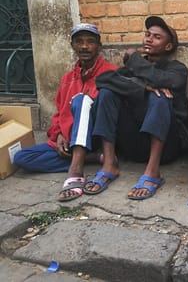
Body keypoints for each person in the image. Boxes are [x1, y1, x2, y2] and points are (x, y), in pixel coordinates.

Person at [83, 16, 188, 200]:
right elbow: (103, 80)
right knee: (107, 93)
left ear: (168, 47)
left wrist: (134, 58)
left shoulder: (176, 68)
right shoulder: (130, 70)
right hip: (133, 144)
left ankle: (153, 172)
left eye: (157, 37)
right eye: (147, 34)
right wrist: (141, 88)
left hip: (167, 147)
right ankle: (109, 164)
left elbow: (162, 79)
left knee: (160, 97)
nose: (149, 39)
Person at [13, 23, 118, 201]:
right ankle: (91, 158)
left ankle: (76, 169)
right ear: (73, 46)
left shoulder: (110, 72)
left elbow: (108, 110)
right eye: (79, 42)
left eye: (90, 42)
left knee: (82, 100)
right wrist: (59, 133)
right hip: (68, 139)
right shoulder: (68, 78)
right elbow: (59, 112)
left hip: (94, 137)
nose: (84, 46)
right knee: (21, 158)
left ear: (98, 47)